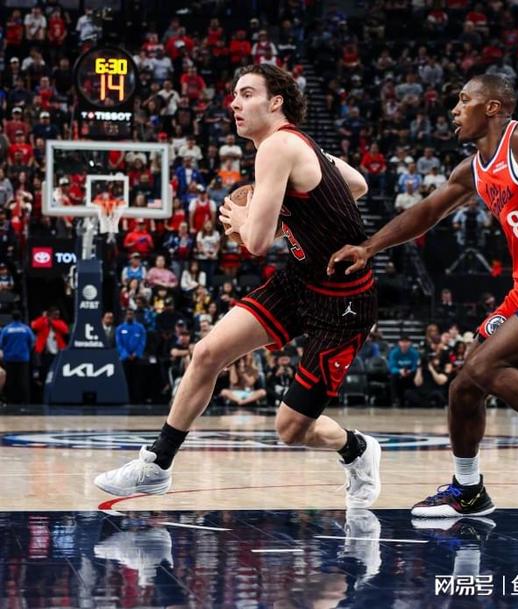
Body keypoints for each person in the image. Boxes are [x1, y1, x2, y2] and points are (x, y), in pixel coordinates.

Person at [327, 73, 518, 523]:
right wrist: (369, 248)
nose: (454, 109)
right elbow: (428, 211)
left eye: (464, 99)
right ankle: (468, 491)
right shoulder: (472, 169)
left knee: (486, 367)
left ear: (492, 108)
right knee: (465, 383)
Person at [95, 63, 381, 509]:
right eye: (234, 95)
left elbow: (256, 244)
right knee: (207, 353)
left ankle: (357, 449)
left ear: (276, 102)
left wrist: (244, 218)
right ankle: (156, 464)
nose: (234, 103)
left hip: (343, 303)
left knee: (291, 430)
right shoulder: (298, 145)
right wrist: (297, 217)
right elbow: (358, 184)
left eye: (247, 94)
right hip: (300, 281)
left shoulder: (277, 147)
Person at [0, 310, 35, 404]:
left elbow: (1, 343)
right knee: (23, 381)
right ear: (21, 317)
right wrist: (26, 351)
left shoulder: (6, 329)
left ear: (12, 317)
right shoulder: (26, 329)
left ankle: (10, 401)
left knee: (10, 381)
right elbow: (32, 342)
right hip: (23, 358)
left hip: (9, 358)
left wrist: (8, 350)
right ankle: (25, 401)